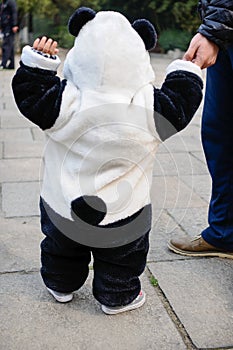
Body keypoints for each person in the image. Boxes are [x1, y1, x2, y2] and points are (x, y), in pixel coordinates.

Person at [12, 8, 203, 314]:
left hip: (63, 206)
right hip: (124, 212)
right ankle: (117, 295)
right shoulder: (146, 109)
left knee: (61, 249)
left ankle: (60, 283)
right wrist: (186, 70)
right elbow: (182, 101)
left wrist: (38, 64)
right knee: (122, 257)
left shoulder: (65, 102)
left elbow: (29, 94)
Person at [168, 1, 233, 259]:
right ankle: (224, 232)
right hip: (227, 28)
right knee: (220, 131)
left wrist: (212, 29)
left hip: (221, 25)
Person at [0, 0, 18, 69]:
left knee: (6, 46)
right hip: (5, 27)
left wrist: (14, 25)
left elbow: (14, 13)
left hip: (10, 27)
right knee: (10, 46)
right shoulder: (3, 3)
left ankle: (3, 64)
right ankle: (11, 65)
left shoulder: (11, 2)